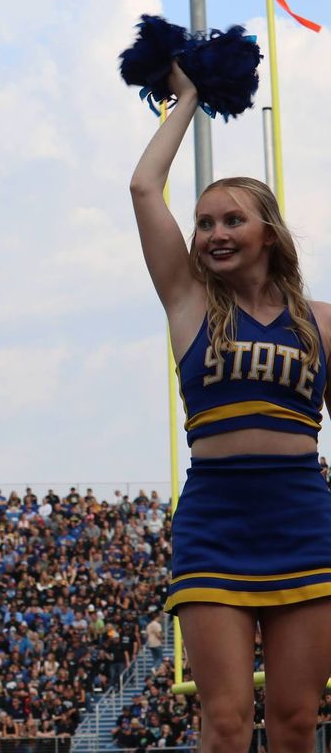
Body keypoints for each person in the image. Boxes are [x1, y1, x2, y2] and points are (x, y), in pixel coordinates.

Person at [129, 61, 331, 753]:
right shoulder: (188, 304)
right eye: (205, 222)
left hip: (303, 518)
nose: (214, 232)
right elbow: (142, 186)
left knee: (297, 722)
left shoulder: (321, 322)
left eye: (232, 220)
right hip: (216, 520)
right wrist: (185, 99)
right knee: (223, 721)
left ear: (267, 233)